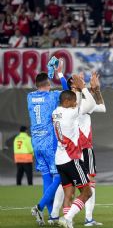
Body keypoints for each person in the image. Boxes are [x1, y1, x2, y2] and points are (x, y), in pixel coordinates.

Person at [28, 59, 68, 226]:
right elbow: (67, 91)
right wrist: (59, 73)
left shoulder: (29, 96)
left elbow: (43, 86)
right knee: (60, 176)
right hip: (50, 143)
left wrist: (49, 75)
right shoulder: (52, 96)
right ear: (48, 84)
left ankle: (52, 216)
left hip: (36, 143)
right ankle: (39, 206)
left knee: (47, 178)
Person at [54, 75, 97, 228]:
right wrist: (83, 88)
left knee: (68, 194)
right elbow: (91, 103)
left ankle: (67, 221)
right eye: (73, 102)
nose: (75, 104)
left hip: (59, 159)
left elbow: (71, 99)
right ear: (67, 102)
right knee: (87, 192)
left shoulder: (56, 112)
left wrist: (75, 90)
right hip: (72, 158)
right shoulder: (70, 113)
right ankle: (67, 218)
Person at [67, 72, 106, 226]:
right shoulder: (79, 105)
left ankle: (55, 216)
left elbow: (101, 108)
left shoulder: (67, 103)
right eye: (79, 80)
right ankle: (87, 218)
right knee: (89, 183)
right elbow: (99, 106)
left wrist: (93, 90)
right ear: (74, 84)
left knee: (67, 183)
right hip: (83, 148)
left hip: (71, 149)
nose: (82, 81)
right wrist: (93, 90)